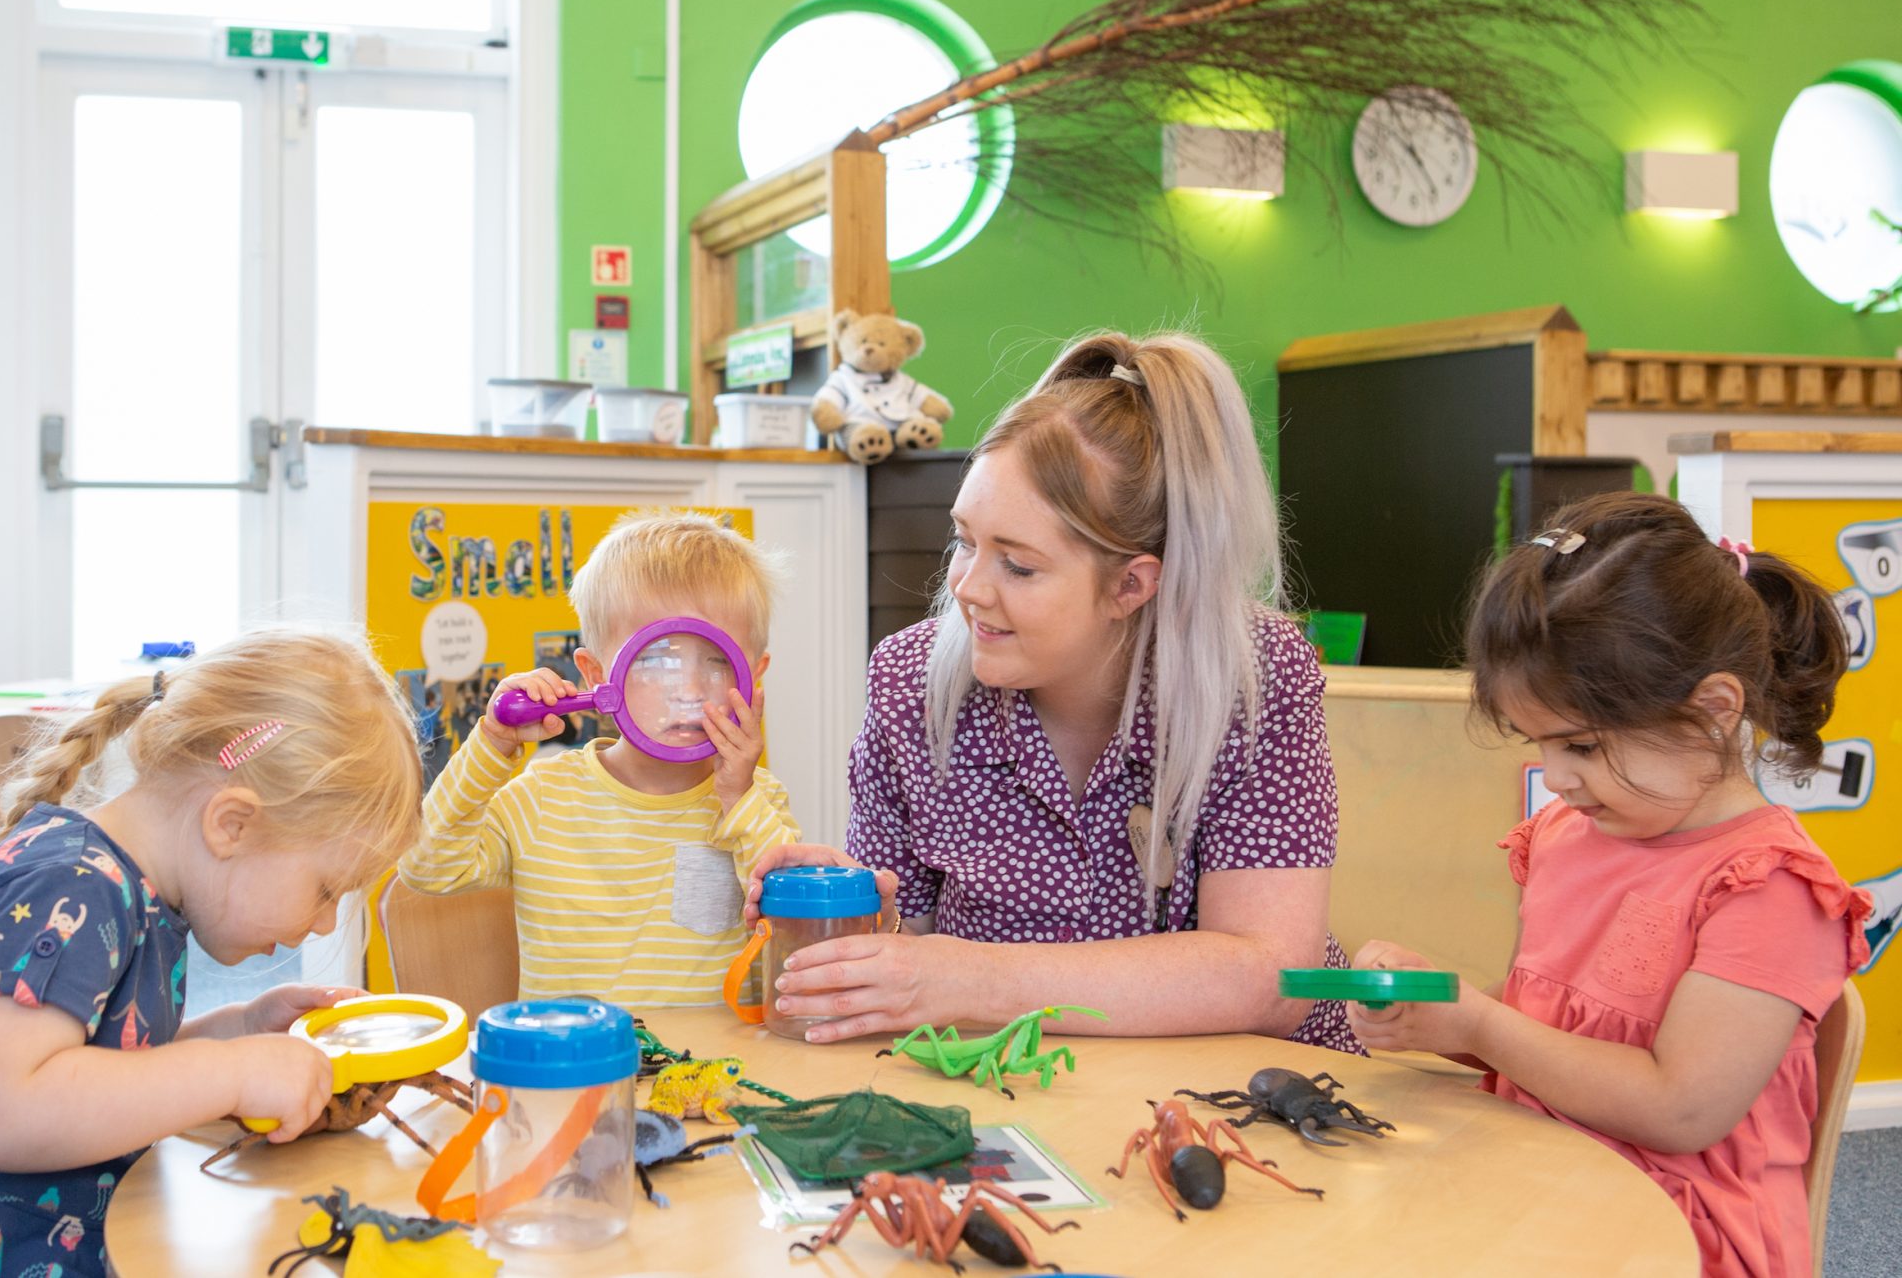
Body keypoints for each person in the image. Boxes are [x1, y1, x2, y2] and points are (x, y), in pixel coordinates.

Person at [748, 331, 1362, 1049]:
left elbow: (1272, 975)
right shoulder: (909, 681)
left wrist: (968, 978)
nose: (968, 589)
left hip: (1237, 1102)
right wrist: (850, 916)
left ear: (1131, 584)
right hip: (1007, 1095)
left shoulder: (1257, 679)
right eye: (964, 541)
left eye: (1019, 565)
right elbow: (906, 944)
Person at [1348, 492, 1870, 1278]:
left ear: (1715, 710)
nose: (1557, 778)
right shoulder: (1569, 838)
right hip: (1543, 1172)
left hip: (1679, 1227)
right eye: (1540, 744)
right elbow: (1549, 1031)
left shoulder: (1770, 889)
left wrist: (1483, 1026)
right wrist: (1442, 1017)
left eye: (1583, 746)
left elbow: (1681, 1107)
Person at [0, 629, 423, 1276]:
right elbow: (0, 1110)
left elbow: (96, 1071)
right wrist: (231, 1072)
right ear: (231, 823)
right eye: (327, 890)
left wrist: (235, 1029)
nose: (324, 926)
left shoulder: (131, 895)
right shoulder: (76, 887)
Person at [401, 510, 799, 1008]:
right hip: (574, 1069)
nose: (691, 692)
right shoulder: (544, 797)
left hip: (711, 1076)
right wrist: (492, 744)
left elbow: (794, 930)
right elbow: (426, 867)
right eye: (655, 661)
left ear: (752, 678)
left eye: (718, 663)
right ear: (595, 677)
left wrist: (739, 800)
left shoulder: (755, 801)